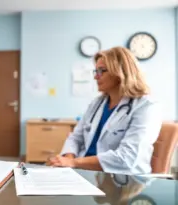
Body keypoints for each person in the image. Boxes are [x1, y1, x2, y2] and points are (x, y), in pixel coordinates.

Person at [47, 46, 162, 175]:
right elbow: (75, 137)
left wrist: (74, 163)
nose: (96, 77)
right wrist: (67, 159)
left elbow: (127, 158)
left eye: (101, 71)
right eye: (95, 71)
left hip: (125, 180)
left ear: (120, 72)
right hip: (87, 173)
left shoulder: (146, 106)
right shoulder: (97, 103)